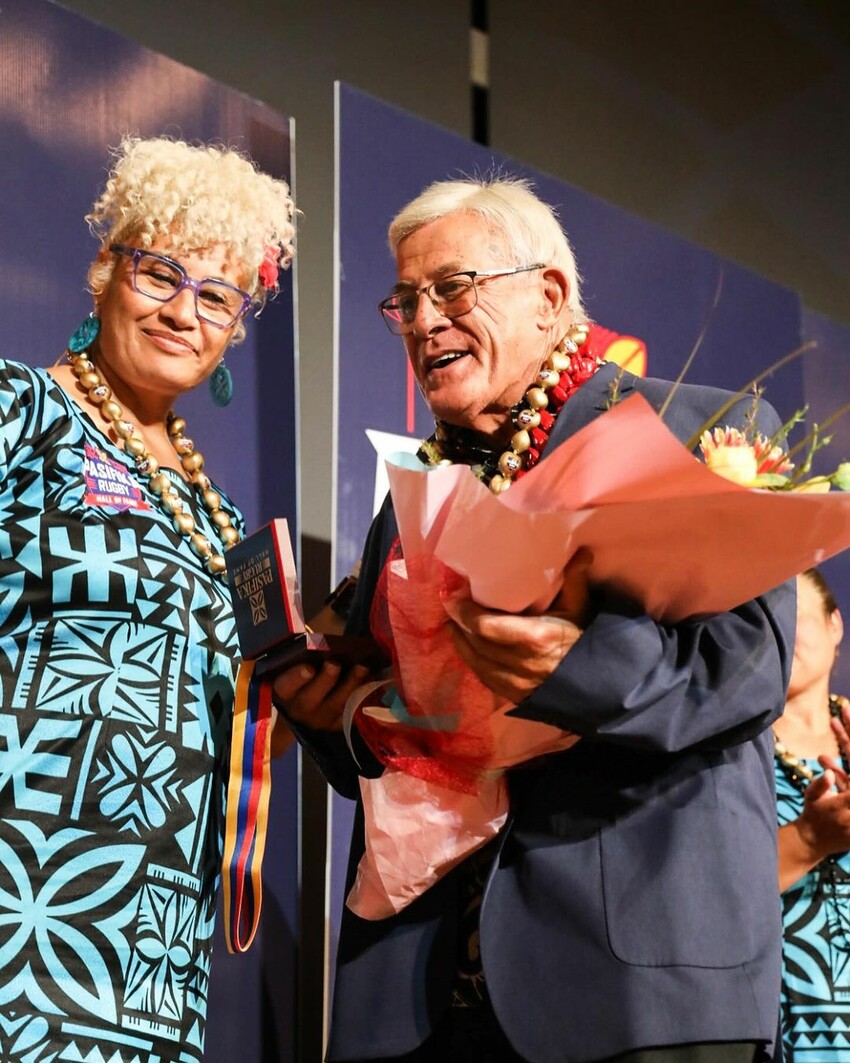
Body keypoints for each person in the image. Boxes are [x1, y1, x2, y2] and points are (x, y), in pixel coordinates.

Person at [275, 176, 796, 1062]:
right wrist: (344, 724)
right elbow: (406, 716)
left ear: (548, 295)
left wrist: (573, 668)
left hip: (637, 986)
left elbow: (743, 672)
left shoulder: (700, 430)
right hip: (426, 994)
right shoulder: (412, 500)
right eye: (404, 301)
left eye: (450, 288)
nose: (422, 320)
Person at [0, 136, 294, 1060]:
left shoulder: (222, 517)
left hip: (159, 936)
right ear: (103, 266)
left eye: (215, 296)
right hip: (27, 893)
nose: (183, 312)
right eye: (160, 273)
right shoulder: (22, 413)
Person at [774, 568, 850, 1059]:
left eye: (790, 610)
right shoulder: (720, 759)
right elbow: (694, 901)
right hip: (784, 1034)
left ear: (834, 624)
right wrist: (808, 839)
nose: (775, 628)